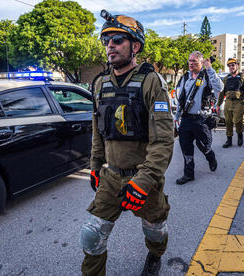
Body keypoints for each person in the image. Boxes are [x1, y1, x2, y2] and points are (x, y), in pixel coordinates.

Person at [79, 10, 174, 276]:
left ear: (135, 46)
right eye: (106, 40)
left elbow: (164, 141)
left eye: (117, 39)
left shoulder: (151, 82)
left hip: (144, 179)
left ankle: (155, 256)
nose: (110, 45)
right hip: (110, 178)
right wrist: (95, 166)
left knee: (154, 232)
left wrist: (144, 182)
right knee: (90, 237)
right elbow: (99, 131)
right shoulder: (100, 84)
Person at [174, 51, 223, 185]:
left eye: (194, 61)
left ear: (202, 63)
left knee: (204, 146)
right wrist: (177, 116)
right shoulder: (185, 77)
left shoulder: (207, 75)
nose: (191, 63)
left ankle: (210, 156)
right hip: (186, 119)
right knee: (185, 147)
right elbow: (181, 99)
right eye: (190, 60)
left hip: (201, 119)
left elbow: (219, 87)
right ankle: (188, 174)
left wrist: (210, 69)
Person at [217, 58, 244, 148]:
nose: (231, 67)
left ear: (237, 65)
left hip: (239, 102)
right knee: (228, 121)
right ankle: (229, 140)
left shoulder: (243, 77)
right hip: (228, 102)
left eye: (233, 65)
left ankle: (240, 135)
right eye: (229, 65)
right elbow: (221, 92)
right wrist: (218, 104)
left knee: (237, 121)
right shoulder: (226, 78)